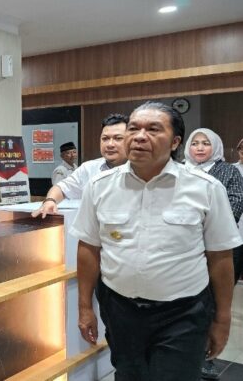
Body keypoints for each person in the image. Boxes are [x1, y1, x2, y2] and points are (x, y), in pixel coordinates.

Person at [73, 102, 242, 381]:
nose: (140, 136)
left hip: (183, 312)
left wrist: (222, 318)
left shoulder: (206, 188)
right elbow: (88, 248)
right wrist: (84, 308)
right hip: (120, 308)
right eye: (133, 129)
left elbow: (221, 257)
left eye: (153, 129)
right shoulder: (99, 186)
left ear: (175, 142)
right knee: (128, 375)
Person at [184, 128, 243, 380]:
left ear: (216, 147)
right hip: (185, 249)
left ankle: (206, 356)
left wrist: (196, 227)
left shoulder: (228, 171)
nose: (199, 147)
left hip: (219, 249)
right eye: (195, 143)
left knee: (213, 301)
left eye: (205, 143)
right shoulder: (179, 170)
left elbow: (235, 205)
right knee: (189, 302)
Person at [33, 113, 128, 218]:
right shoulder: (89, 169)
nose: (110, 144)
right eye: (105, 138)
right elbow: (61, 188)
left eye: (118, 138)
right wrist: (50, 200)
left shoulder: (140, 170)